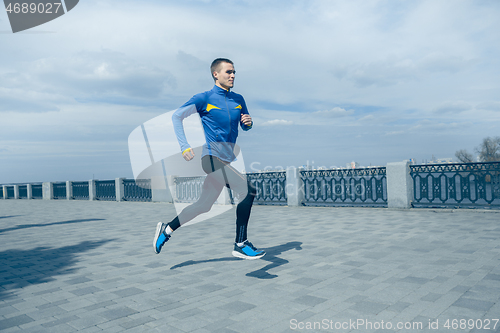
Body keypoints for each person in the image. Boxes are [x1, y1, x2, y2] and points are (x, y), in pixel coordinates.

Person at [153, 58, 265, 260]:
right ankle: (240, 243)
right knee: (248, 190)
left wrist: (248, 123)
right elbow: (177, 116)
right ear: (216, 74)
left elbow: (244, 126)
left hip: (225, 161)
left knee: (203, 205)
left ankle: (166, 230)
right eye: (228, 72)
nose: (232, 76)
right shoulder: (204, 98)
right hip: (211, 159)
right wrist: (184, 146)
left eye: (234, 72)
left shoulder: (239, 99)